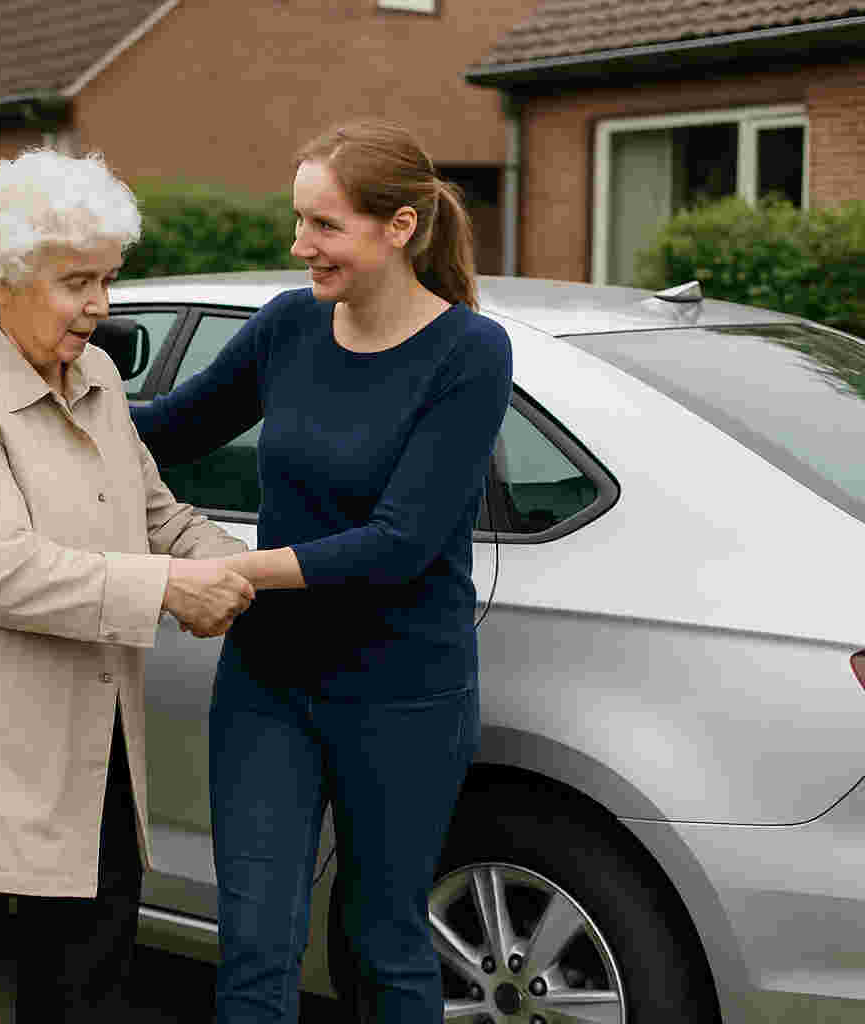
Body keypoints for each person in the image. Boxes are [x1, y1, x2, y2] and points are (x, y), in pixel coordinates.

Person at [0, 147, 255, 1024]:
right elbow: (5, 575)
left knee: (86, 988)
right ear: (3, 274)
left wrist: (247, 572)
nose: (100, 307)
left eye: (107, 280)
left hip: (88, 750)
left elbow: (152, 514)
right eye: (78, 283)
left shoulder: (93, 374)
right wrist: (173, 590)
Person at [131, 120, 514, 1023]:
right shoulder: (289, 327)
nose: (299, 245)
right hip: (270, 687)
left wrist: (232, 571)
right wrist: (50, 381)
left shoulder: (470, 352)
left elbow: (401, 542)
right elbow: (171, 432)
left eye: (324, 225)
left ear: (402, 227)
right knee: (256, 947)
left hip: (404, 695)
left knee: (383, 941)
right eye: (299, 221)